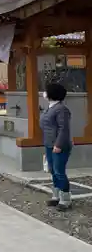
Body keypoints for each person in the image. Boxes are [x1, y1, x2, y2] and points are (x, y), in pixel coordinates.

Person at [40, 82, 72, 211]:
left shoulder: (61, 109)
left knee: (59, 172)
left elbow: (64, 129)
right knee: (53, 170)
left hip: (59, 145)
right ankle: (56, 196)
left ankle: (66, 199)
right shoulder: (50, 107)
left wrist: (58, 144)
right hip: (49, 144)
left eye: (46, 91)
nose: (44, 93)